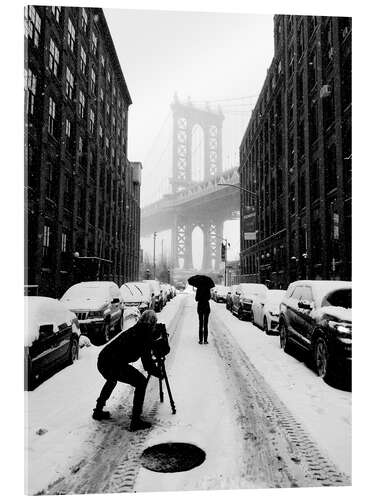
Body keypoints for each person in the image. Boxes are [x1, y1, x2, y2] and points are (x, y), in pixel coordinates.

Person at [92, 309, 162, 431]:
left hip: (103, 360)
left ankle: (98, 410)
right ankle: (135, 421)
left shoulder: (138, 328)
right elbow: (147, 364)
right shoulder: (144, 335)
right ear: (152, 323)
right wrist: (159, 373)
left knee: (112, 380)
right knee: (141, 382)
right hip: (113, 363)